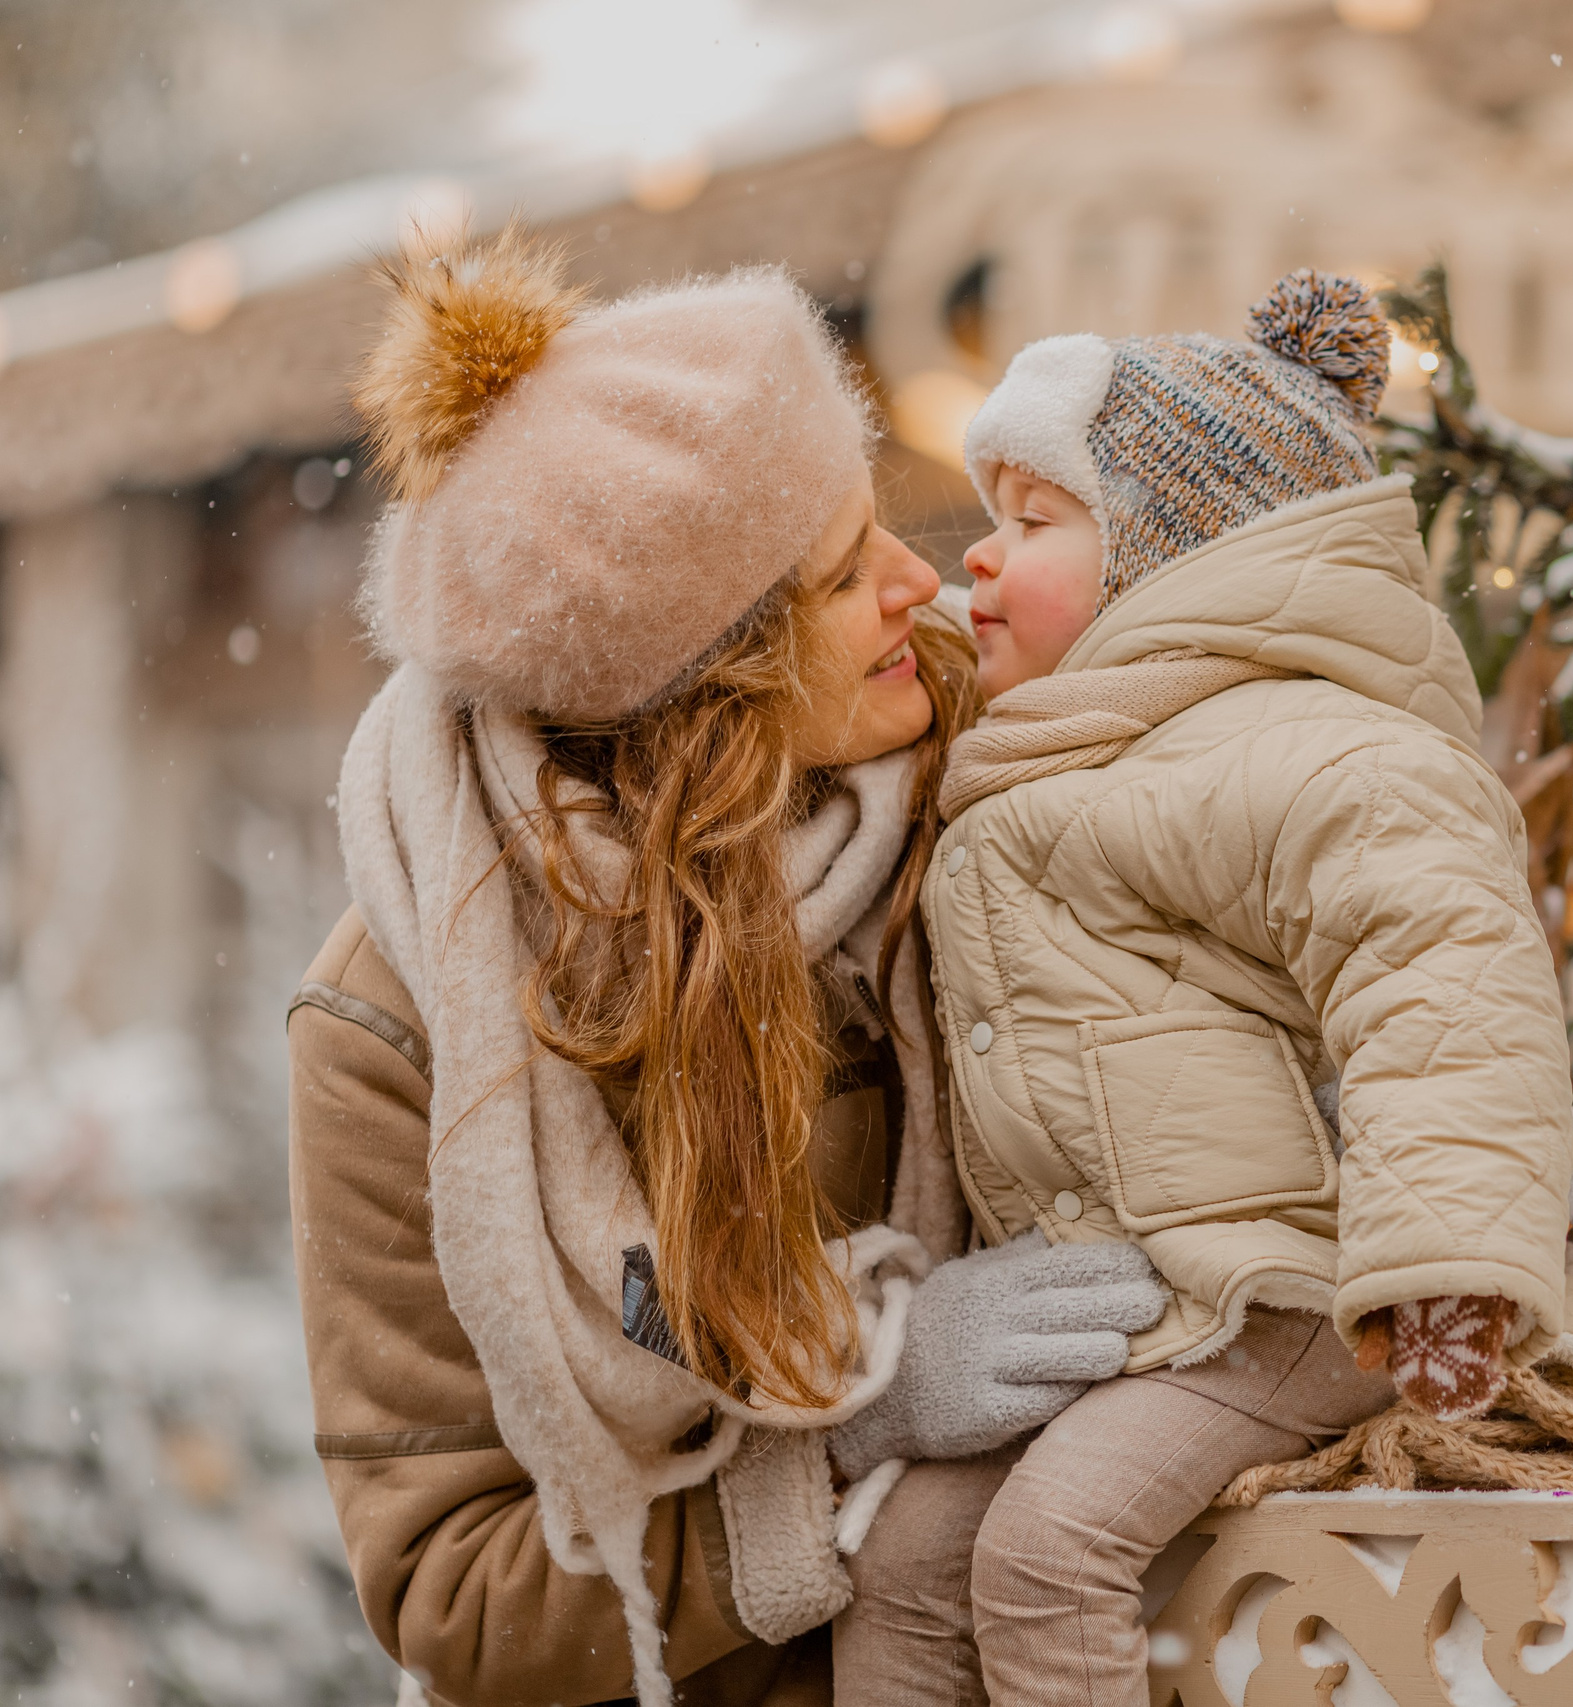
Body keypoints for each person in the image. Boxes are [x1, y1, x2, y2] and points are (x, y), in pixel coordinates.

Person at [286, 229, 1163, 1707]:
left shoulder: (991, 778)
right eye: (837, 578)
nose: (917, 579)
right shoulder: (400, 1020)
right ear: (700, 694)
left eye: (879, 519)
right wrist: (851, 1424)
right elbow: (452, 1587)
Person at [830, 271, 1573, 1706]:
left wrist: (1443, 1270)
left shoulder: (1308, 753)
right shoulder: (1084, 750)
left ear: (1173, 559)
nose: (974, 561)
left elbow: (1445, 992)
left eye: (1032, 525)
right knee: (901, 1562)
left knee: (1047, 1552)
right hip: (1154, 1307)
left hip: (1307, 1295)